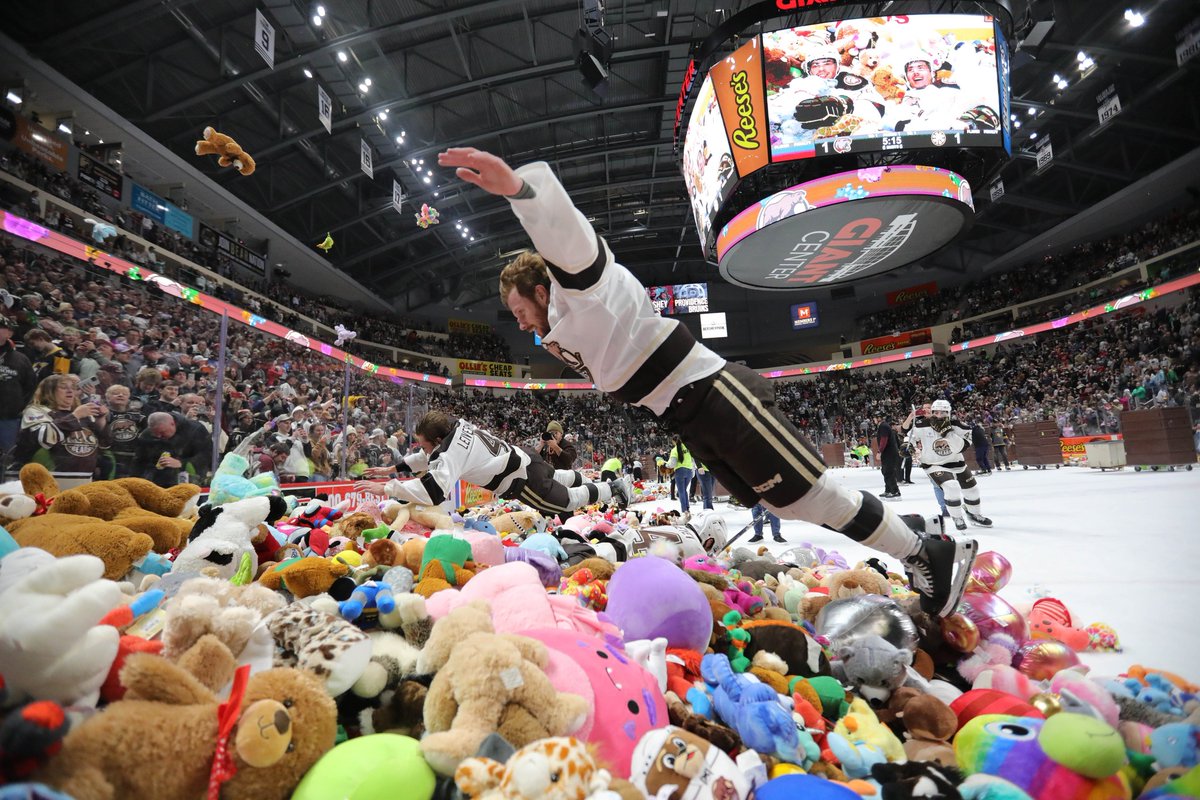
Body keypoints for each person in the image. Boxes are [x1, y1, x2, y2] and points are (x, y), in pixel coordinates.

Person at [439, 145, 975, 617]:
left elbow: (569, 237)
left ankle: (923, 552)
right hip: (690, 415)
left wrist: (517, 189)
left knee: (810, 494)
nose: (518, 322)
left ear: (540, 287)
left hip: (712, 393)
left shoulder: (584, 286)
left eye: (517, 307)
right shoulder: (561, 324)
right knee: (791, 503)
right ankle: (910, 534)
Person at [354, 411, 631, 517]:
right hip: (525, 457)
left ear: (438, 439)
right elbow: (429, 457)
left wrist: (389, 488)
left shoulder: (449, 454)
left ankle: (612, 487)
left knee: (566, 501)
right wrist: (395, 468)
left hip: (521, 479)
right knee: (560, 477)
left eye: (425, 444)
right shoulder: (459, 427)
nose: (423, 450)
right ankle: (605, 484)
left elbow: (433, 491)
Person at [906, 399, 993, 532]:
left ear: (949, 413)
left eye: (943, 412)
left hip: (956, 462)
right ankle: (957, 517)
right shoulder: (921, 425)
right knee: (951, 487)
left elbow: (960, 448)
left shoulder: (957, 426)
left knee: (972, 490)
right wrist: (907, 446)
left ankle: (975, 514)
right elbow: (910, 437)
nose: (939, 415)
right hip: (934, 464)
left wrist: (947, 433)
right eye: (936, 412)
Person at [14, 373, 108, 477]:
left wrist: (101, 421)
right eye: (63, 387)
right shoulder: (36, 411)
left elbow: (105, 445)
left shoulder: (83, 412)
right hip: (47, 478)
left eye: (72, 387)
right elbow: (44, 438)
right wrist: (75, 416)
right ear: (49, 391)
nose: (70, 390)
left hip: (84, 479)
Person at [131, 411, 211, 487]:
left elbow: (207, 456)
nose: (159, 436)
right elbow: (139, 461)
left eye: (162, 432)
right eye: (155, 433)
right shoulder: (147, 434)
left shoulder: (195, 429)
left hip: (189, 481)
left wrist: (181, 463)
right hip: (157, 482)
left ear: (173, 424)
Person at [0, 315, 36, 462]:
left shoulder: (21, 359)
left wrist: (19, 408)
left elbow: (31, 386)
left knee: (8, 459)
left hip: (9, 419)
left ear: (9, 333)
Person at [103, 383, 146, 478]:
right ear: (107, 398)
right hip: (111, 457)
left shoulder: (138, 416)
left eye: (124, 394)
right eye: (115, 393)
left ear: (128, 399)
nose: (120, 395)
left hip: (133, 458)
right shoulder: (103, 414)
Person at [664, 435, 696, 515]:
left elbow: (672, 464)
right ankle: (687, 508)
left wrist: (666, 465)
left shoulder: (674, 450)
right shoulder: (687, 447)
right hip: (689, 470)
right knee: (684, 490)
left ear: (674, 441)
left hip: (680, 471)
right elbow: (693, 459)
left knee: (681, 491)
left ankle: (684, 510)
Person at [874, 410, 901, 498]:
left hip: (889, 453)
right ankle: (888, 490)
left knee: (889, 472)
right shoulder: (883, 426)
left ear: (878, 418)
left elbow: (883, 440)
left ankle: (895, 491)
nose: (873, 420)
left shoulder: (883, 426)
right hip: (888, 453)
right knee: (885, 471)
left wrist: (879, 451)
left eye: (874, 418)